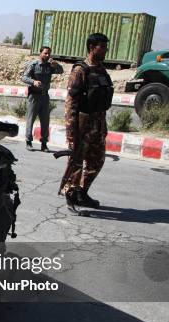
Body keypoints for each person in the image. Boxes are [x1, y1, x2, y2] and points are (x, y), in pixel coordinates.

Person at [59, 33, 114, 212]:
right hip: (83, 124)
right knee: (76, 162)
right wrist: (71, 132)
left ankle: (82, 192)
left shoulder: (101, 70)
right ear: (92, 47)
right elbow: (71, 103)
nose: (105, 50)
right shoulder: (80, 70)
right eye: (102, 46)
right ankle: (71, 195)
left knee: (96, 161)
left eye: (106, 46)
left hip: (98, 123)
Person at [21, 46, 63, 152]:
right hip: (34, 96)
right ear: (40, 53)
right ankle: (28, 141)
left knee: (45, 121)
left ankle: (44, 144)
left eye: (49, 53)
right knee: (30, 119)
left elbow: (61, 71)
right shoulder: (33, 65)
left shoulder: (49, 66)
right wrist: (33, 82)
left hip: (45, 96)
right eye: (45, 53)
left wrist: (56, 64)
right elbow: (24, 77)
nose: (47, 55)